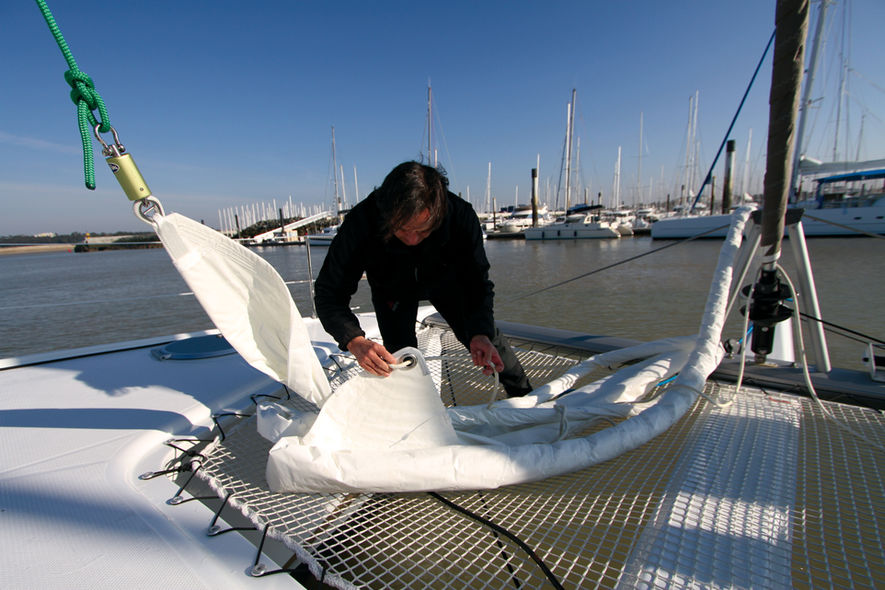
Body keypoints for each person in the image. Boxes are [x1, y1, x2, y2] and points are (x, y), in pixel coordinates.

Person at [314, 161, 532, 397]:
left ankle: (524, 394)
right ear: (386, 215)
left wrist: (480, 332)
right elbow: (329, 292)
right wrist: (353, 340)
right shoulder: (362, 221)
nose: (412, 239)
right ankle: (414, 410)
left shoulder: (460, 216)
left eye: (423, 230)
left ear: (438, 214)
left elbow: (477, 283)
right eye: (401, 229)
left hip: (447, 283)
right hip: (392, 289)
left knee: (487, 339)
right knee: (401, 356)